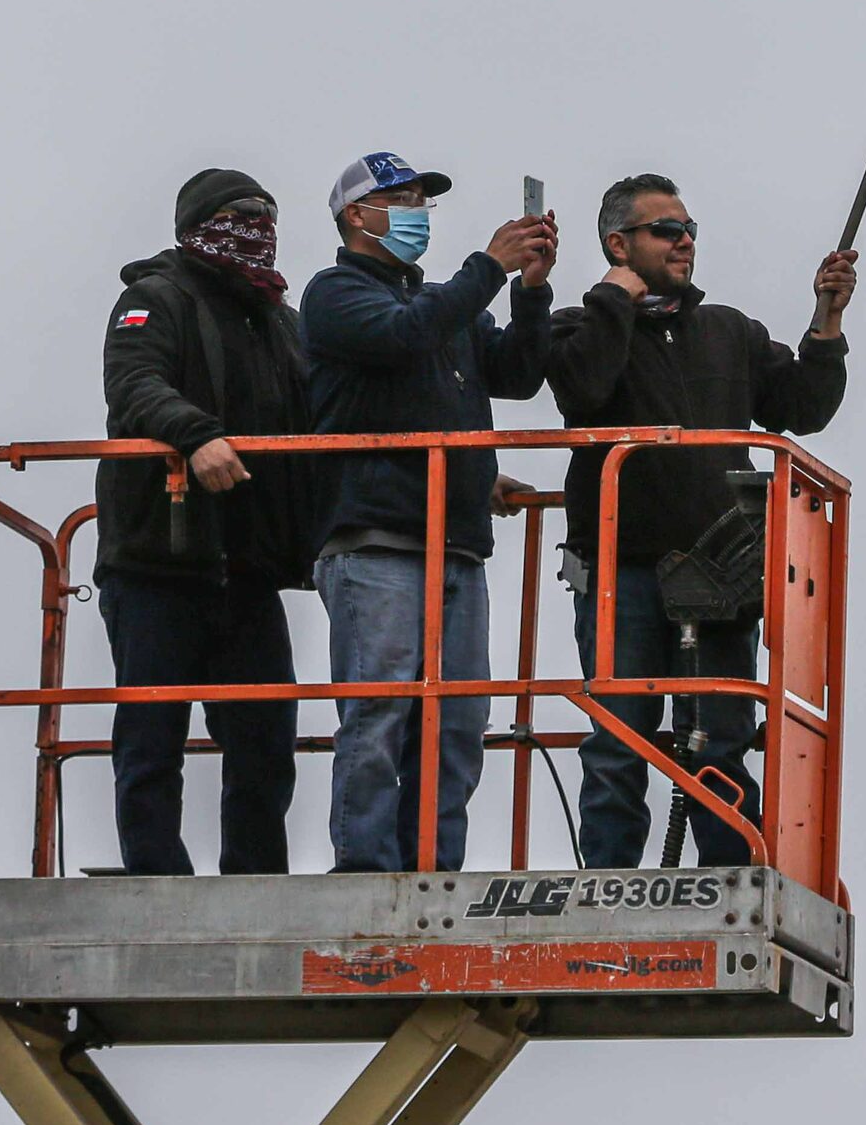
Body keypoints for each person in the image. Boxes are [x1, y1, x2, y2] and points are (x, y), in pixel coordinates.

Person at [542, 173, 856, 868]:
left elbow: (801, 407)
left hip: (719, 575)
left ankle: (730, 876)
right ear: (618, 244)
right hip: (619, 573)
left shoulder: (728, 330)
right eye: (666, 230)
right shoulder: (580, 326)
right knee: (617, 741)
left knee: (719, 740)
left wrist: (826, 319)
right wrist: (612, 301)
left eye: (689, 229)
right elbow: (582, 388)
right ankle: (607, 883)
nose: (684, 241)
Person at [302, 152, 556, 872]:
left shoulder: (442, 304)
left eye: (421, 200)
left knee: (458, 723)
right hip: (377, 539)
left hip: (457, 545)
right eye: (401, 198)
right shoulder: (335, 293)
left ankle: (433, 871)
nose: (416, 211)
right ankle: (364, 871)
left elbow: (515, 373)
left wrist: (530, 291)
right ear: (357, 214)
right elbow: (399, 335)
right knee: (380, 713)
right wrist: (489, 267)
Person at [94, 167, 316, 875]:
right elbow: (134, 383)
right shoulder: (153, 299)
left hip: (248, 569)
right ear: (197, 223)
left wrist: (463, 473)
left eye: (266, 216)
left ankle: (255, 882)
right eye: (239, 214)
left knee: (265, 740)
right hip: (155, 562)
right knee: (150, 739)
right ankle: (155, 879)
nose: (256, 228)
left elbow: (333, 418)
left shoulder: (283, 324)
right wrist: (194, 434)